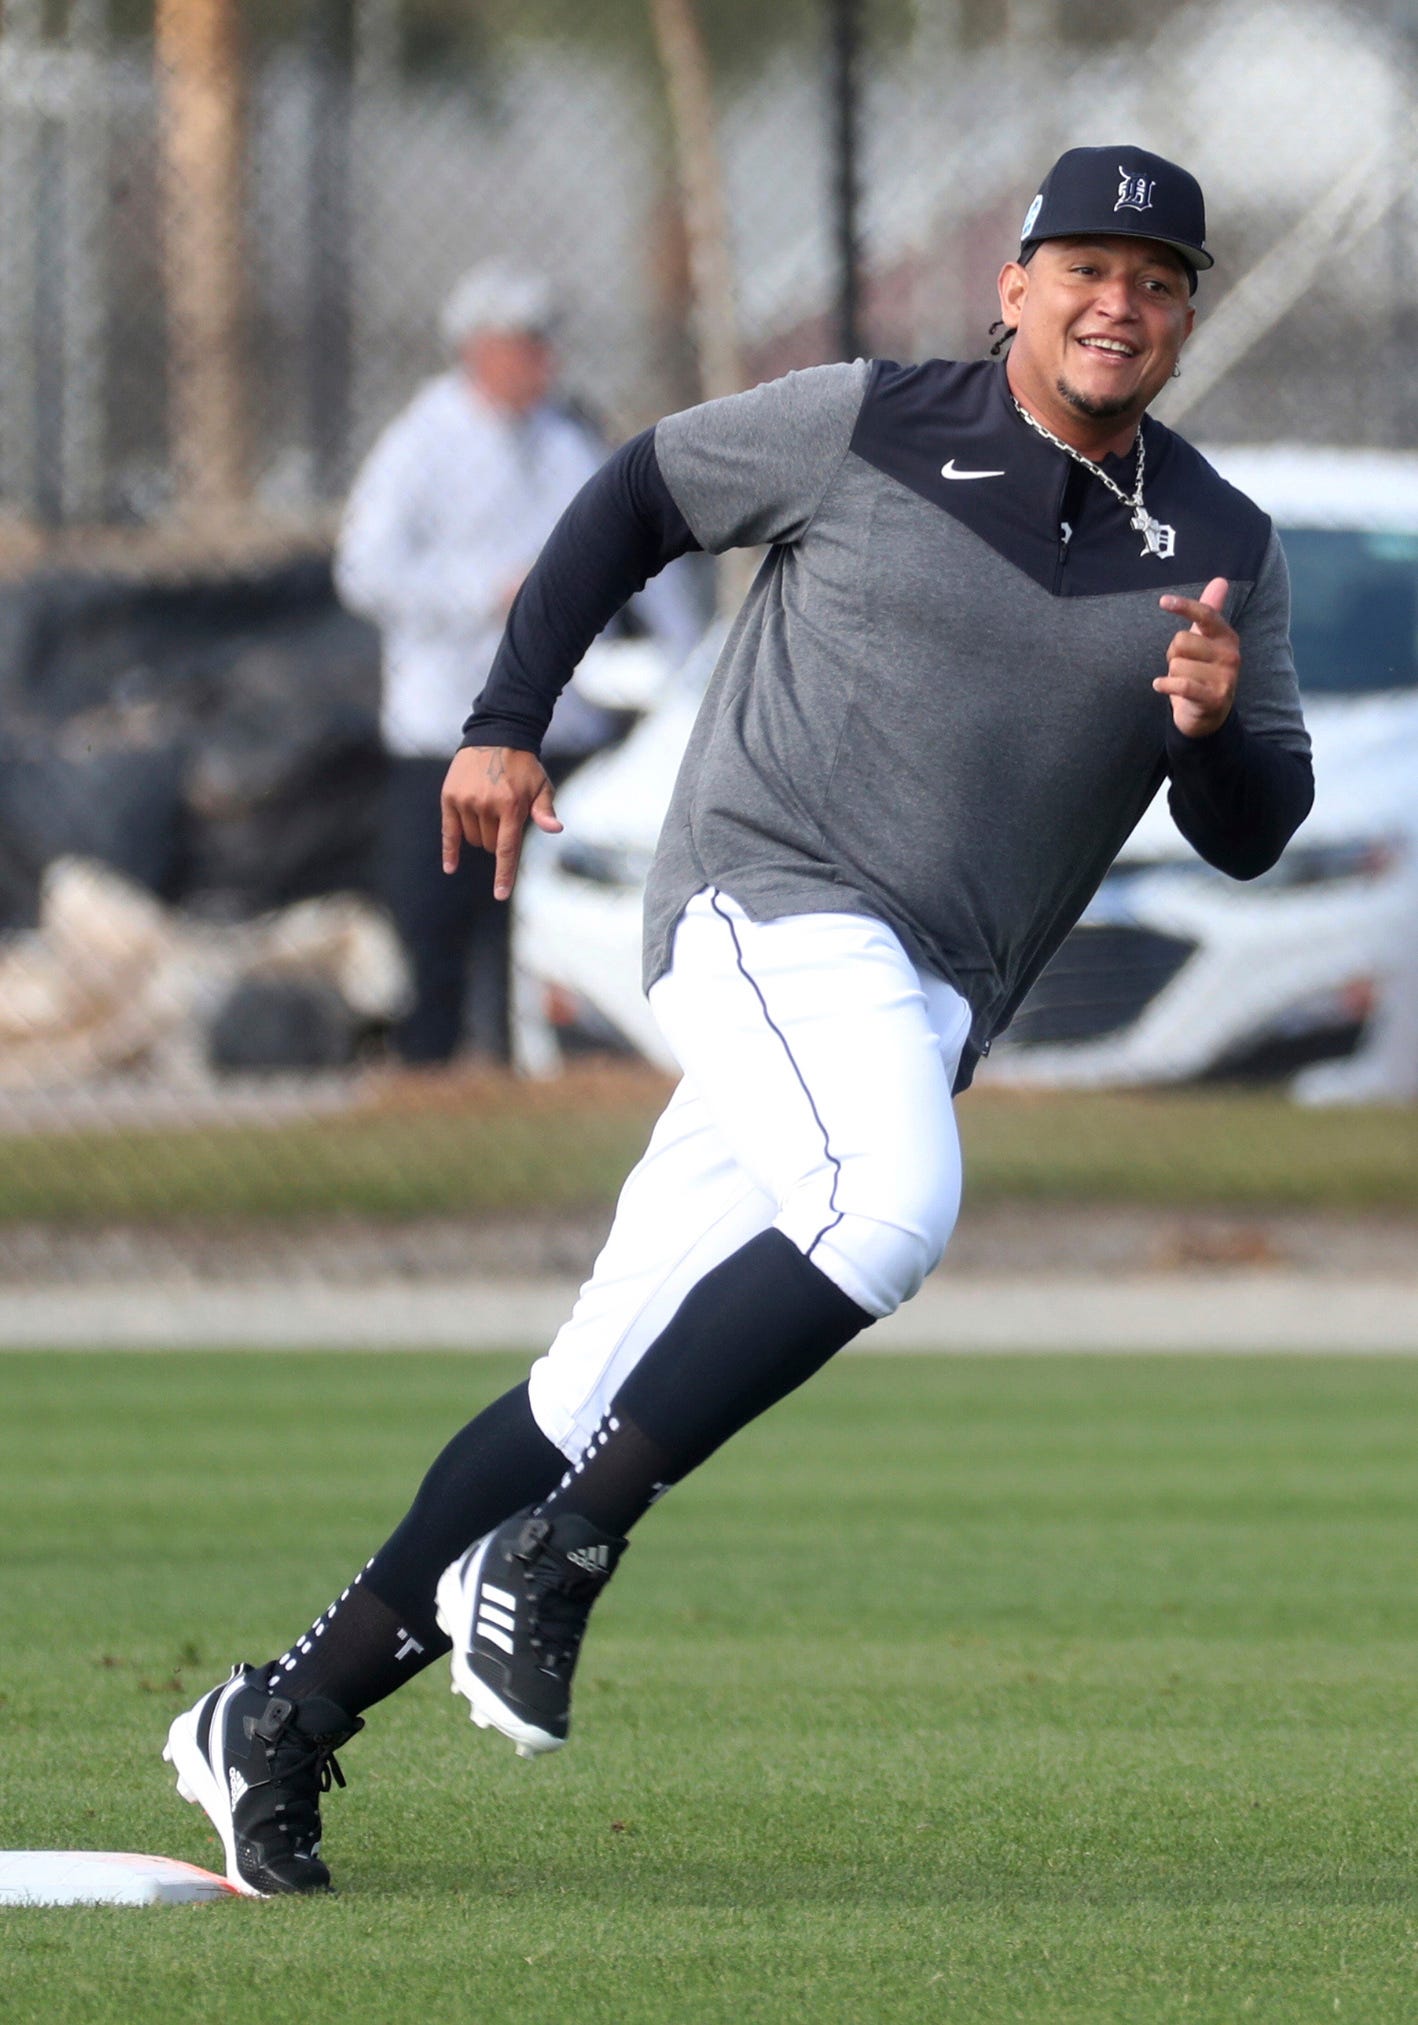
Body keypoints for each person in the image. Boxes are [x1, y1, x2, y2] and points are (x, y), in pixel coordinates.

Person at [164, 146, 1313, 1894]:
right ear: (1009, 286)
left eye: (1155, 281)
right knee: (887, 1206)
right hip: (761, 898)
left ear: (1180, 317)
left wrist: (1218, 731)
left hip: (917, 993)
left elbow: (1252, 834)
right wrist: (503, 716)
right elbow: (634, 492)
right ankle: (559, 1557)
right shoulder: (866, 422)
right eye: (1082, 265)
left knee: (588, 1385)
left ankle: (278, 1717)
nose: (1117, 302)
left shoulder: (1218, 550)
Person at [335, 260, 698, 1064]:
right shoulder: (422, 441)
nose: (542, 361)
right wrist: (483, 593)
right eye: (522, 345)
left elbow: (643, 553)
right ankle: (430, 1072)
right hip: (449, 732)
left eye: (545, 343)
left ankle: (524, 1069)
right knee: (438, 917)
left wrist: (684, 665)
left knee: (540, 924)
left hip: (564, 731)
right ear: (478, 349)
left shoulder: (568, 442)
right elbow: (364, 568)